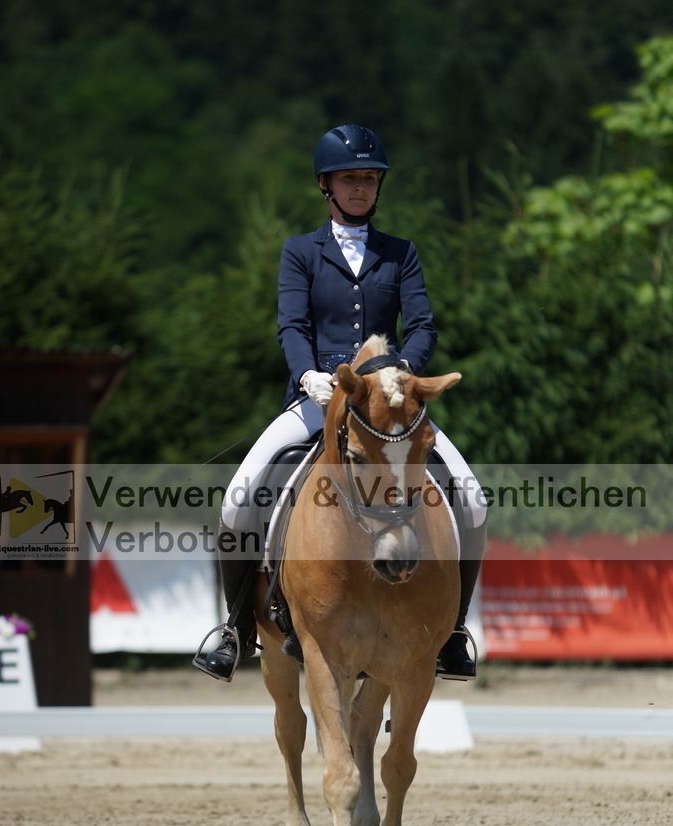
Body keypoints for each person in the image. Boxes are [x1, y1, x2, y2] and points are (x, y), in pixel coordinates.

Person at [195, 124, 487, 682]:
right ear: (326, 185)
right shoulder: (300, 252)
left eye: (370, 179)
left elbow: (421, 324)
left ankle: (453, 634)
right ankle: (234, 627)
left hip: (386, 402)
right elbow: (292, 324)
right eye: (350, 179)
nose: (361, 188)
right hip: (319, 396)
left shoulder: (400, 253)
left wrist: (401, 373)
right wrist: (308, 373)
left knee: (471, 500)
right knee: (237, 499)